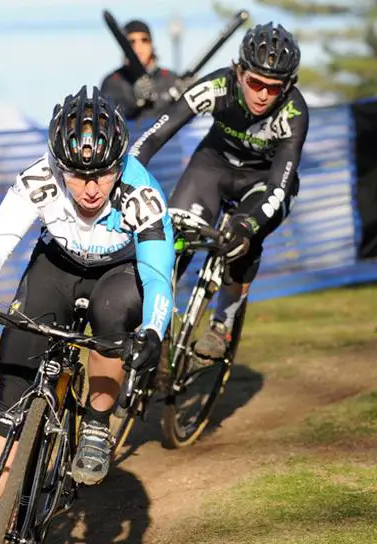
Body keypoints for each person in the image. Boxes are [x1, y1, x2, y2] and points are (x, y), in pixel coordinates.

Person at [0, 86, 176, 544]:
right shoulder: (39, 180)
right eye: (78, 175)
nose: (91, 189)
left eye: (103, 174)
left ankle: (95, 423)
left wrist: (153, 330)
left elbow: (157, 276)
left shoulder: (143, 195)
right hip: (55, 268)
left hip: (117, 273)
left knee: (117, 315)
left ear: (120, 163)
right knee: (9, 395)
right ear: (57, 163)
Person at [129, 22, 308, 359]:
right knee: (171, 239)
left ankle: (221, 324)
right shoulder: (216, 85)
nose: (262, 95)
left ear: (287, 87)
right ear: (238, 72)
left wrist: (245, 227)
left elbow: (279, 185)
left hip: (264, 181)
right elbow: (156, 134)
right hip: (212, 168)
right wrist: (127, 175)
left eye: (274, 87)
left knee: (242, 245)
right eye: (255, 82)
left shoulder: (295, 113)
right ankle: (156, 320)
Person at [100, 19, 183, 121]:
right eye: (131, 41)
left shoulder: (170, 78)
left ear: (152, 44)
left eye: (144, 40)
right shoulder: (112, 82)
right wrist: (136, 100)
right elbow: (107, 120)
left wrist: (189, 94)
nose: (138, 46)